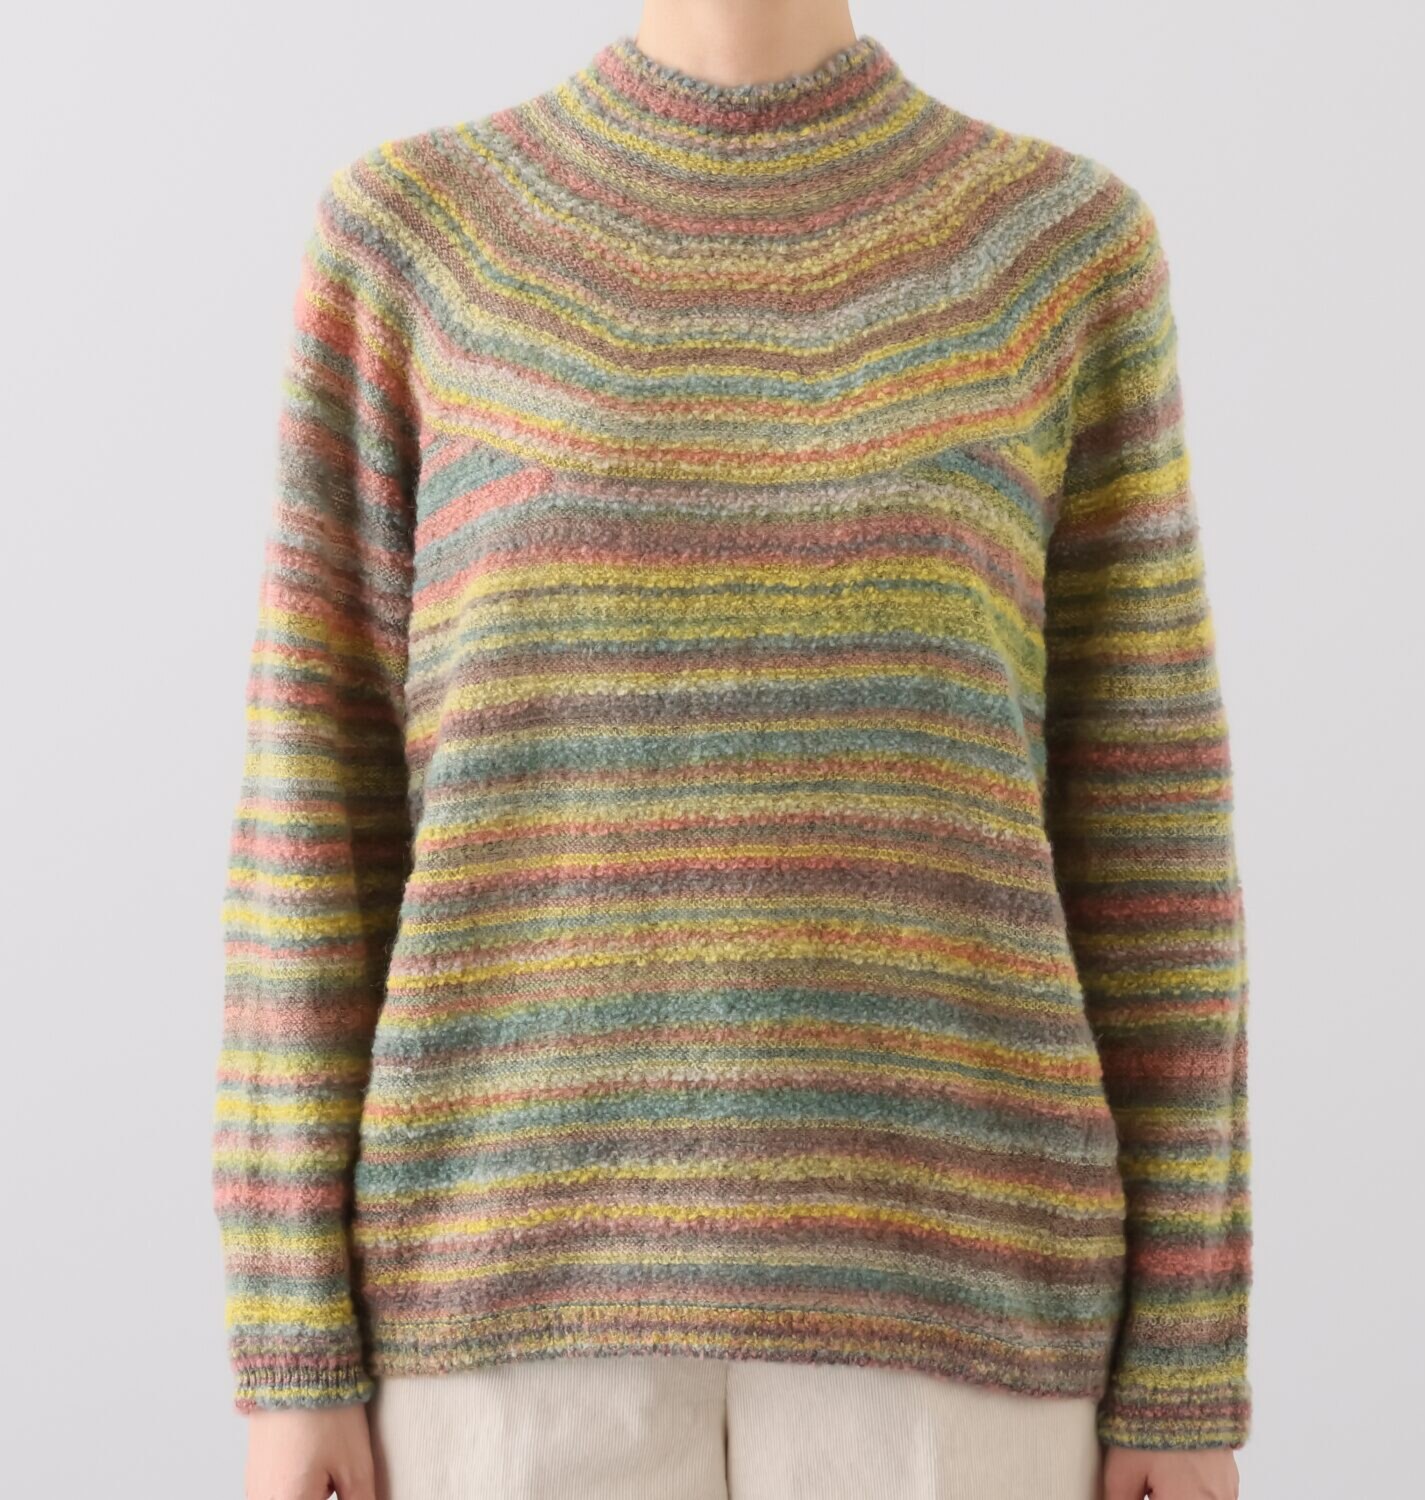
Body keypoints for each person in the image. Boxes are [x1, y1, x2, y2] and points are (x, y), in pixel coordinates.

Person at [212, 3, 1252, 1497]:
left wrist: (1184, 1365)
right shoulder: (413, 237)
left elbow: (1149, 834)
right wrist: (290, 1333)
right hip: (503, 1328)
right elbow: (317, 807)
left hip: (959, 1323)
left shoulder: (1059, 249)